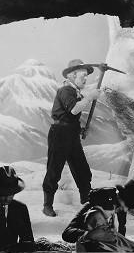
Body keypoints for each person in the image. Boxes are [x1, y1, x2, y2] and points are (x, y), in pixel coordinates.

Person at [42, 59, 101, 217]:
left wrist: (80, 129)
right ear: (73, 75)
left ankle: (86, 203)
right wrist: (89, 97)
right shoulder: (66, 90)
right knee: (54, 171)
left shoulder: (75, 92)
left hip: (71, 134)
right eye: (83, 75)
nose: (85, 78)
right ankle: (47, 205)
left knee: (83, 171)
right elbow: (74, 110)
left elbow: (70, 117)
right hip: (59, 134)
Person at [62, 180, 134, 244]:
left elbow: (120, 236)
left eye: (129, 208)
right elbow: (67, 233)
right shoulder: (94, 205)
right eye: (126, 205)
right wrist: (89, 235)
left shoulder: (121, 210)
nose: (126, 210)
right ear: (118, 196)